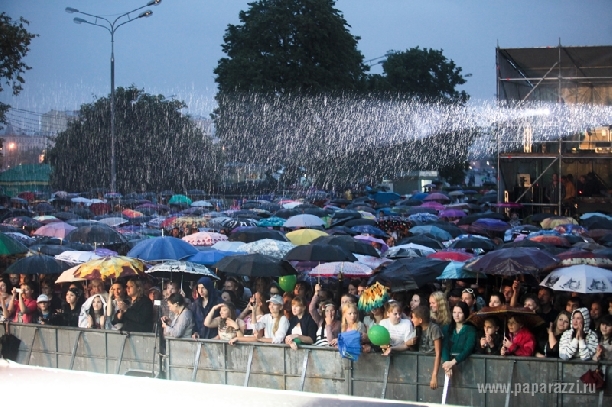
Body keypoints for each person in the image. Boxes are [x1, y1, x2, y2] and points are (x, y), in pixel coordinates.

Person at [410, 306, 442, 390]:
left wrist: (434, 375)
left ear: (420, 320)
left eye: (413, 318)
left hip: (434, 364)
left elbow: (438, 353)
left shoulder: (434, 329)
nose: (412, 320)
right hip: (422, 364)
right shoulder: (417, 329)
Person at [441, 302, 477, 377]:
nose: (456, 315)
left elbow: (468, 349)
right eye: (454, 312)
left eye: (460, 312)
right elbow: (445, 347)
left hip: (466, 367)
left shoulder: (471, 329)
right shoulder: (447, 328)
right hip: (448, 365)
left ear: (465, 313)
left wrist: (453, 362)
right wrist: (448, 364)